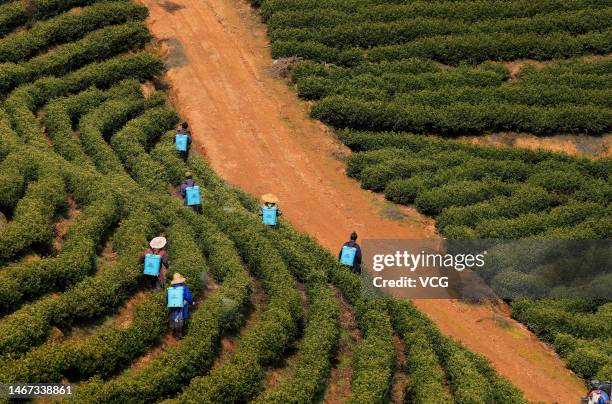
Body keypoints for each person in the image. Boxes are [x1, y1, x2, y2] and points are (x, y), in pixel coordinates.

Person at [167, 272, 194, 339]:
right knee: (182, 319)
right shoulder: (183, 288)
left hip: (172, 308)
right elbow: (188, 297)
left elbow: (167, 299)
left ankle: (174, 332)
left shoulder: (171, 289)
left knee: (174, 318)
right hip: (182, 308)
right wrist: (191, 302)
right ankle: (179, 335)